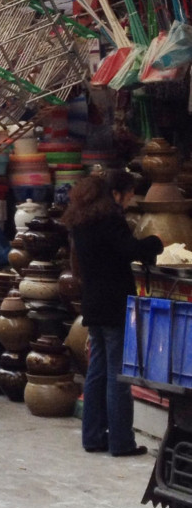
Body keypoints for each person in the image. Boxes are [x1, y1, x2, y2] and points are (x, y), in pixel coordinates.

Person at [63, 171, 163, 457]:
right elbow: (131, 249)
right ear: (116, 193)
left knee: (97, 372)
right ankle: (121, 441)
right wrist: (156, 242)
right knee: (118, 375)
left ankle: (93, 437)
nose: (129, 200)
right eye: (129, 194)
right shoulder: (109, 220)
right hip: (114, 306)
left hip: (93, 303)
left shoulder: (81, 221)